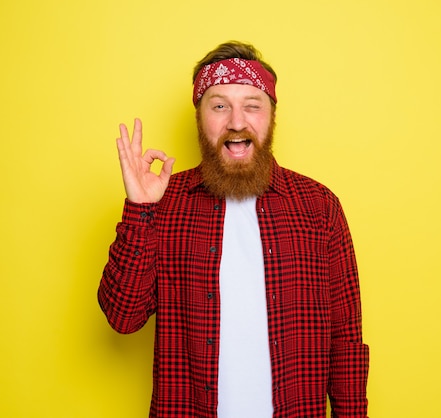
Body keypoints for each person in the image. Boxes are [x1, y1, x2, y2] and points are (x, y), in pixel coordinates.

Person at [98, 41, 369, 418]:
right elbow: (122, 317)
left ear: (272, 116)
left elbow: (346, 342)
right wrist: (141, 210)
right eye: (220, 105)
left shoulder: (318, 207)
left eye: (252, 106)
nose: (237, 122)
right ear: (200, 117)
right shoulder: (165, 200)